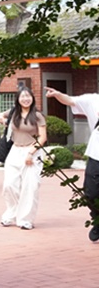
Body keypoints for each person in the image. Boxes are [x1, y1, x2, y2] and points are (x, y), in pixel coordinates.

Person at [44, 86, 99, 242]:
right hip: (96, 154)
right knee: (91, 193)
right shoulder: (93, 100)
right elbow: (70, 100)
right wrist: (57, 95)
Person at [0, 86, 47, 230]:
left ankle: (26, 219)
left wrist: (31, 153)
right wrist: (1, 119)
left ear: (32, 98)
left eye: (28, 96)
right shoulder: (14, 113)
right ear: (18, 99)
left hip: (32, 151)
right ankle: (11, 213)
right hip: (15, 150)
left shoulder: (37, 116)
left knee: (30, 187)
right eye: (22, 97)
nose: (25, 99)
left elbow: (43, 137)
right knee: (9, 185)